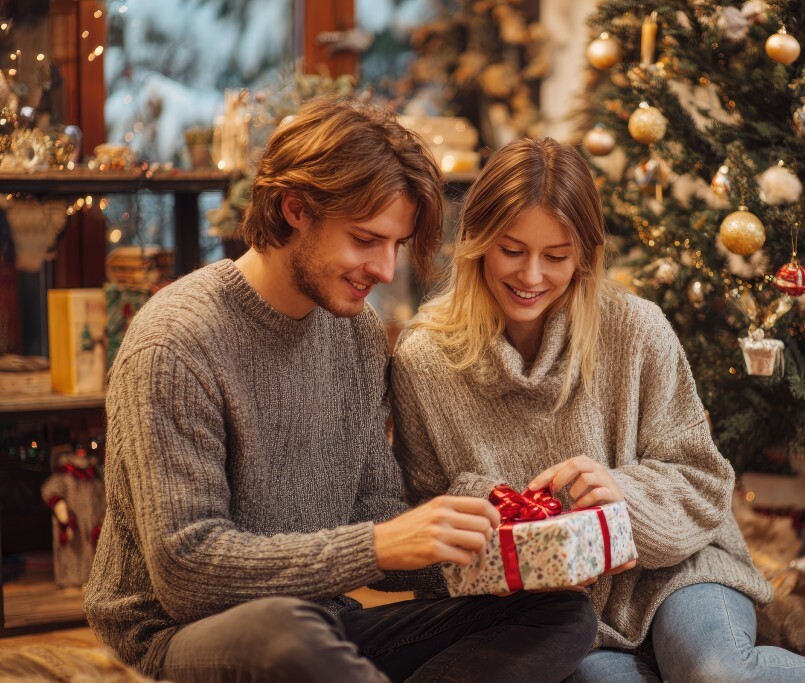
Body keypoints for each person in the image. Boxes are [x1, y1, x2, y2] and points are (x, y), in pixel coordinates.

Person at [84, 100, 597, 683]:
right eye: (365, 240)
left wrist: (508, 553)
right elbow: (186, 572)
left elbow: (377, 512)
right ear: (295, 208)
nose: (383, 268)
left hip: (322, 625)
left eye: (396, 245)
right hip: (182, 636)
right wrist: (376, 546)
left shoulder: (355, 334)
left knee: (558, 614)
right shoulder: (177, 341)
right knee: (284, 635)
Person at [390, 137, 805, 683]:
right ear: (475, 241)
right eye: (511, 250)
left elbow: (703, 480)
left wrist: (623, 497)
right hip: (554, 616)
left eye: (555, 257)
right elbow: (426, 547)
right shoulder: (424, 360)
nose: (531, 276)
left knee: (715, 673)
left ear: (583, 255)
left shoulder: (636, 329)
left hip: (679, 567)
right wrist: (513, 541)